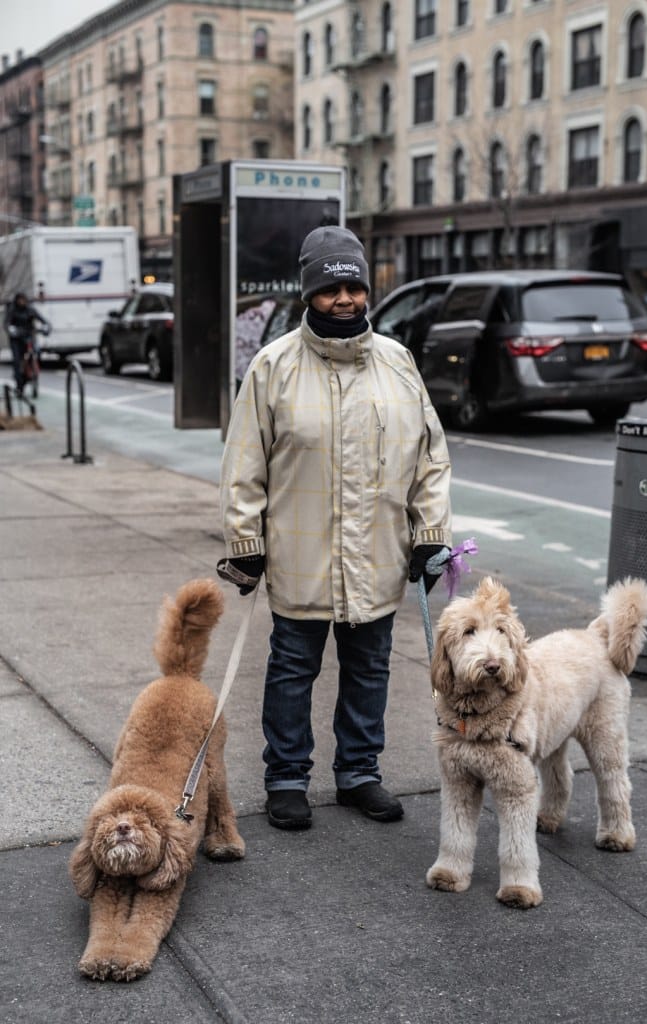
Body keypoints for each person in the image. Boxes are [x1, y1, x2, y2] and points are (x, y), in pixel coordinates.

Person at [218, 226, 452, 831]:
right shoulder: (273, 367)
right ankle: (287, 778)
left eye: (353, 285)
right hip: (300, 554)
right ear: (309, 293)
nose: (344, 298)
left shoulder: (398, 363)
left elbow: (430, 457)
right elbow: (244, 462)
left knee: (370, 668)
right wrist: (245, 542)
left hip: (376, 553)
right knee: (293, 670)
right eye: (330, 288)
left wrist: (431, 532)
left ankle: (359, 773)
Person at [4, 292, 50, 396]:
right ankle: (19, 383)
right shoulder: (12, 310)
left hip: (28, 337)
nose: (22, 302)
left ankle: (32, 371)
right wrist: (11, 329)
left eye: (23, 300)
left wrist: (46, 326)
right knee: (17, 360)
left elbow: (42, 319)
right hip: (16, 339)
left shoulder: (30, 310)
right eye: (20, 300)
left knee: (35, 352)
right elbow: (6, 323)